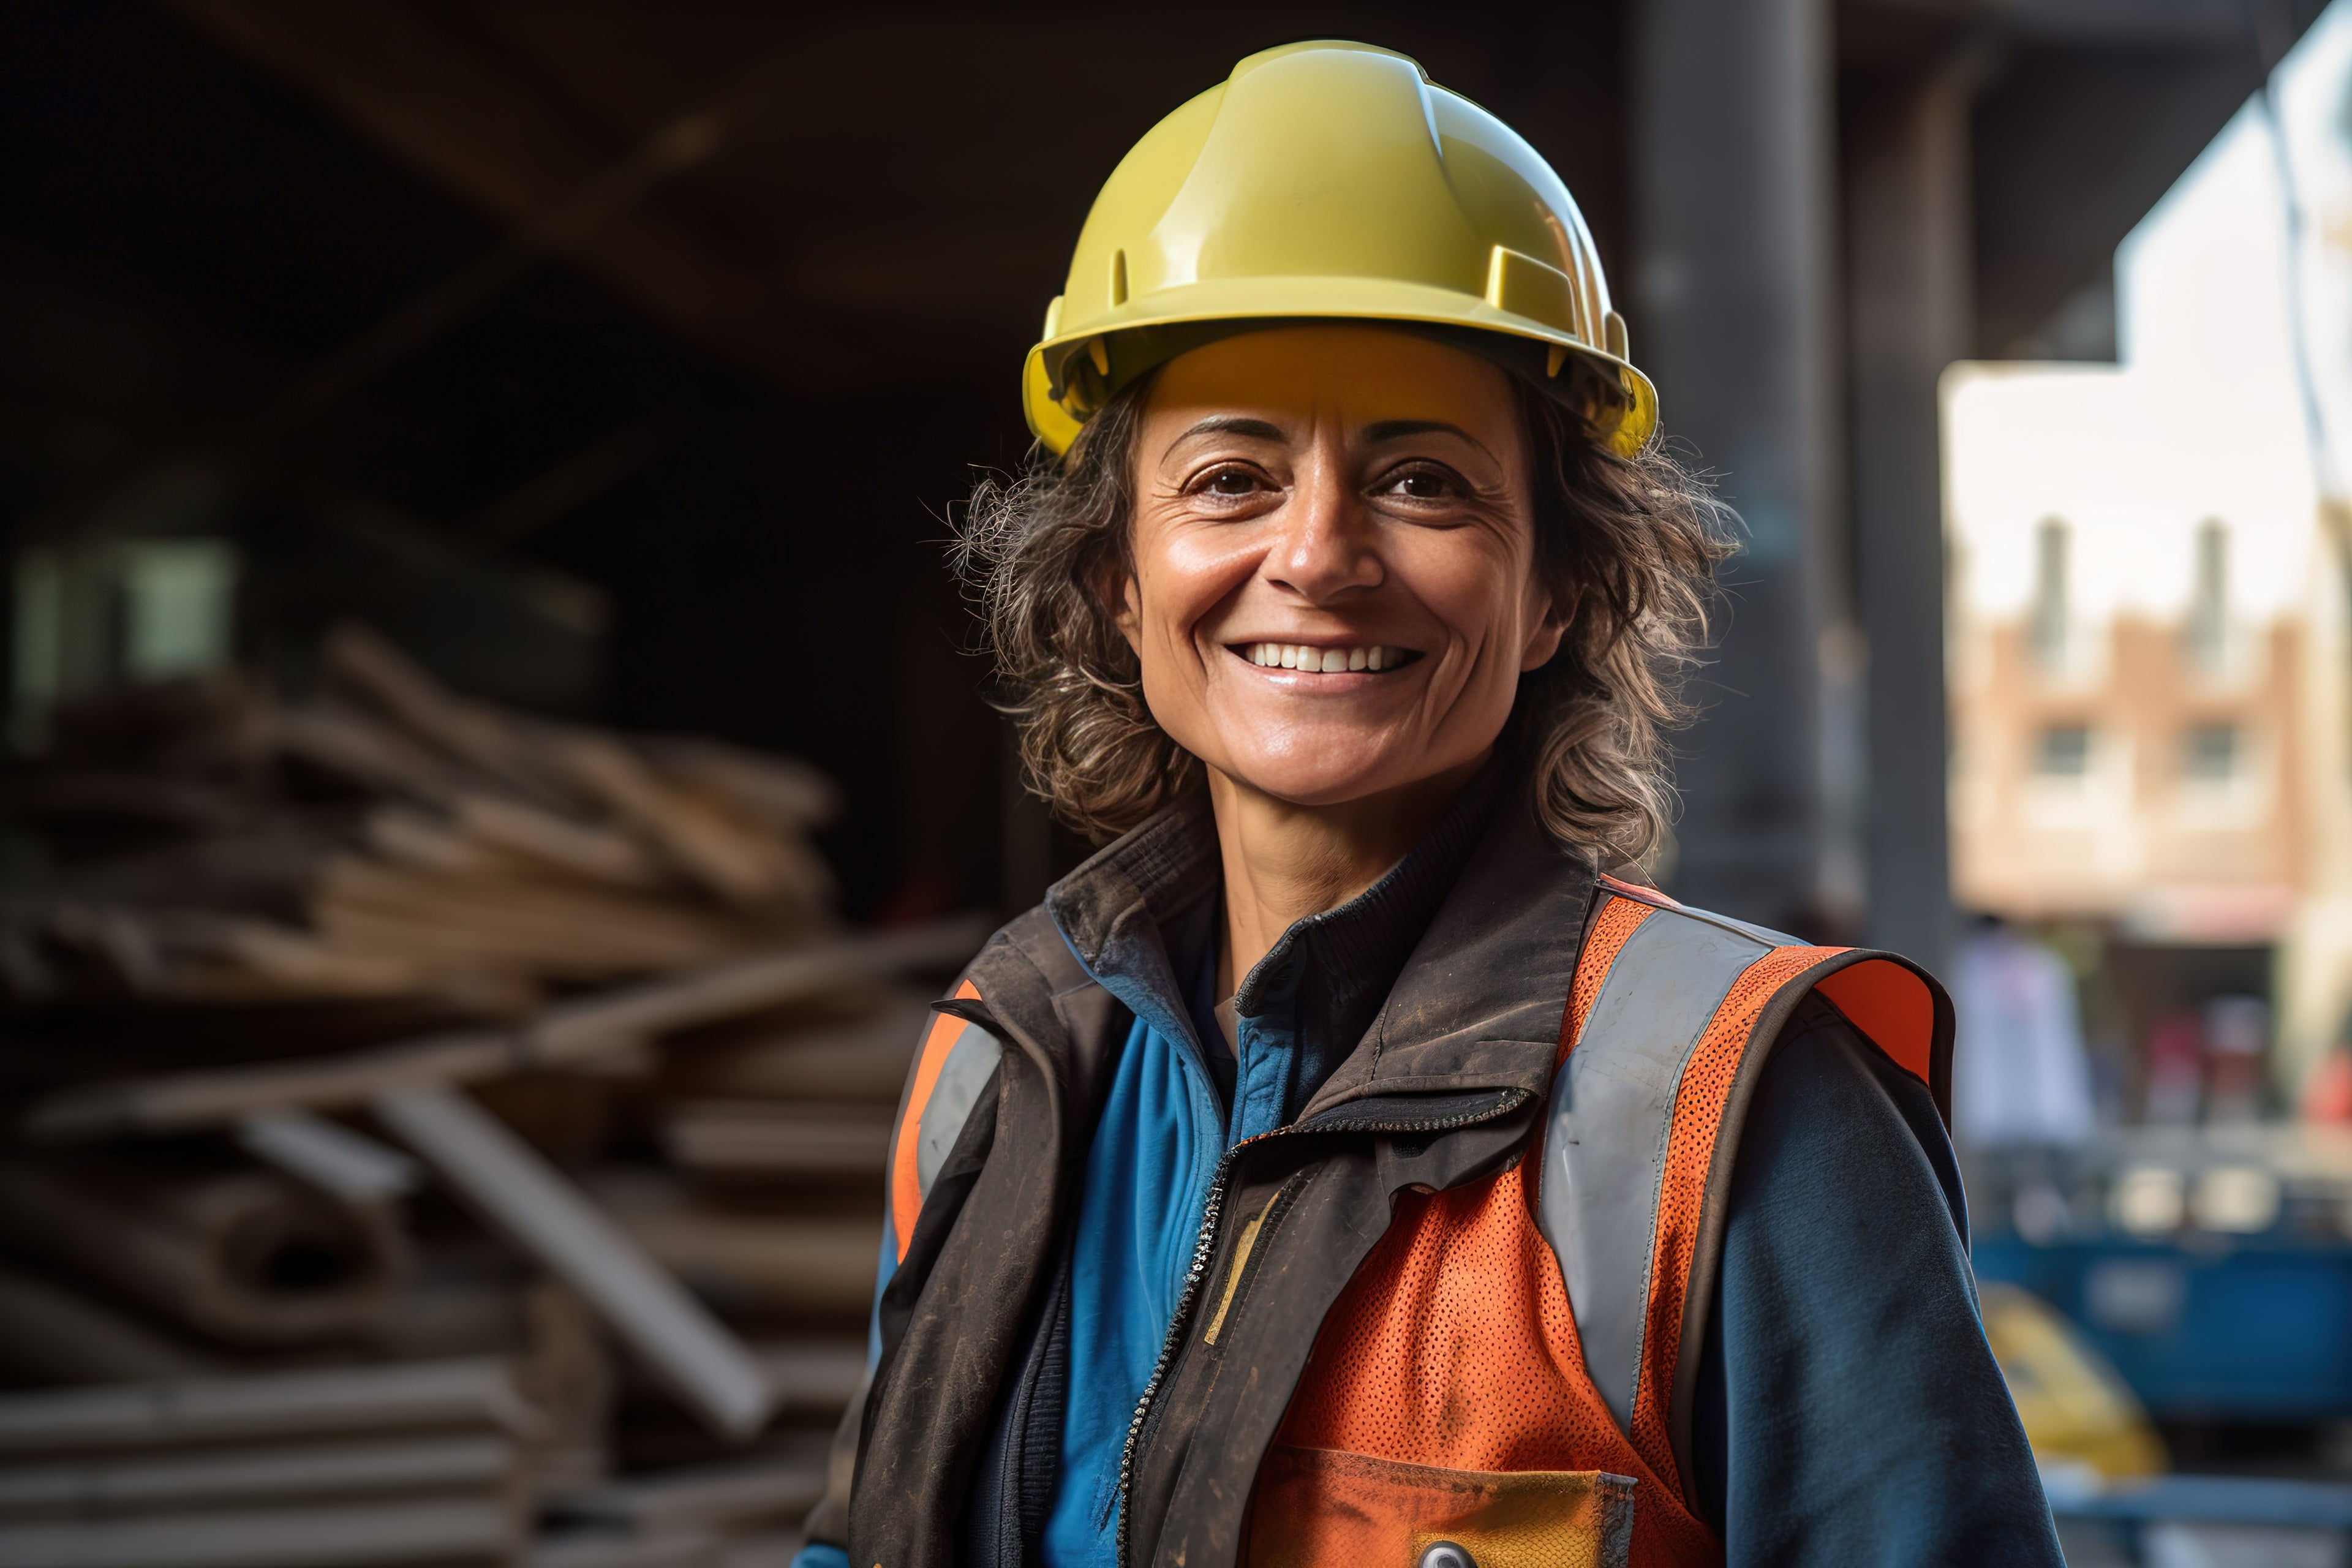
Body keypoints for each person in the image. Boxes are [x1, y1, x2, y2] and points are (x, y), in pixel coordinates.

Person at [795, 41, 2059, 1568]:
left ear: (1553, 595)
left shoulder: (1741, 1110)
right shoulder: (997, 1063)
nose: (1319, 554)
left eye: (1423, 482)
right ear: (1122, 584)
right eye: (1229, 478)